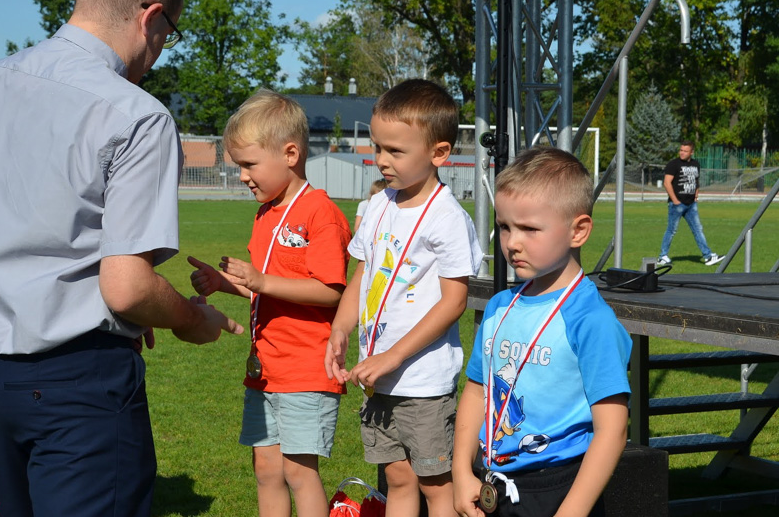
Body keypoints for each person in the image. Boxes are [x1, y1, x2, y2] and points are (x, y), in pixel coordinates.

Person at [0, 0, 243, 516]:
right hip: (72, 381)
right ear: (151, 17)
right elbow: (125, 285)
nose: (158, 53)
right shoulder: (136, 114)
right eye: (168, 32)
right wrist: (192, 318)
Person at [188, 89, 352, 517]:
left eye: (249, 164)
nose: (243, 176)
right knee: (265, 468)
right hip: (266, 369)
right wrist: (224, 284)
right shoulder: (266, 213)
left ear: (291, 153)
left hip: (307, 367)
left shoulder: (320, 213)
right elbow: (266, 289)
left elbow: (331, 291)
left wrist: (261, 279)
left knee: (300, 471)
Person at [325, 79, 483, 517]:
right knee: (397, 477)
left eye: (395, 151)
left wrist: (392, 357)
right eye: (378, 148)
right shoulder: (378, 204)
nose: (381, 161)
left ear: (439, 153)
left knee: (435, 484)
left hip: (422, 382)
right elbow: (363, 273)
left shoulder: (448, 218)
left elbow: (454, 302)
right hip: (376, 375)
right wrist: (340, 328)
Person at [452, 147, 632, 517]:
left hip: (557, 489)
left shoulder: (590, 320)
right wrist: (460, 473)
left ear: (578, 231)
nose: (512, 242)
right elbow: (476, 389)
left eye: (530, 229)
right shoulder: (500, 306)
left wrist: (571, 511)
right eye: (504, 227)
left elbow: (612, 429)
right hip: (490, 481)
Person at [657, 140, 724, 266]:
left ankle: (708, 256)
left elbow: (696, 181)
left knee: (698, 229)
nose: (682, 153)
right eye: (681, 150)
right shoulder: (673, 164)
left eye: (685, 151)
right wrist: (675, 200)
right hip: (677, 205)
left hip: (691, 205)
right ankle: (662, 256)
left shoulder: (696, 164)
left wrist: (696, 195)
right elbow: (667, 183)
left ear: (691, 152)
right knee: (672, 230)